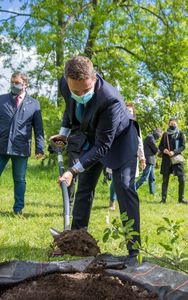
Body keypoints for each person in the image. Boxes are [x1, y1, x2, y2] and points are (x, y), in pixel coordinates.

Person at [53, 56, 141, 261]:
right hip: (93, 138)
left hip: (120, 142)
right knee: (84, 186)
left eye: (86, 90)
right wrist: (63, 133)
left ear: (94, 77)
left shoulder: (109, 100)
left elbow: (103, 147)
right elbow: (69, 109)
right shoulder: (65, 85)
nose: (81, 94)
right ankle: (75, 239)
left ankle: (134, 250)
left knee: (124, 188)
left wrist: (72, 170)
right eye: (76, 91)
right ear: (67, 81)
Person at [0, 72, 44, 214]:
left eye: (17, 82)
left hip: (21, 147)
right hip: (1, 145)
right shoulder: (2, 100)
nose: (14, 85)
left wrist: (40, 147)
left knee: (19, 179)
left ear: (25, 84)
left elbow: (38, 128)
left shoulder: (34, 104)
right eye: (12, 82)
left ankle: (18, 209)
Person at [50, 76, 87, 211]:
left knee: (85, 178)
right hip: (75, 139)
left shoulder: (92, 90)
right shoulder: (64, 83)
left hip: (92, 139)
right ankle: (69, 205)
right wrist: (62, 136)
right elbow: (68, 110)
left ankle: (81, 208)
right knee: (71, 173)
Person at [108, 103, 146, 210]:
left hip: (131, 158)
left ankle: (130, 203)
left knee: (130, 181)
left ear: (133, 113)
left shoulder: (135, 126)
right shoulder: (116, 123)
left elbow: (139, 143)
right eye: (127, 111)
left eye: (131, 111)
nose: (129, 113)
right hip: (117, 156)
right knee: (115, 182)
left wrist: (142, 158)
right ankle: (112, 201)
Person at [159, 117, 187, 204]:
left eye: (174, 124)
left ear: (177, 124)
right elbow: (160, 146)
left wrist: (174, 152)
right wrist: (165, 150)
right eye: (171, 124)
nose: (173, 126)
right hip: (166, 160)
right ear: (168, 124)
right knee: (165, 180)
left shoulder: (180, 134)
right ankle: (163, 199)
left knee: (182, 179)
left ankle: (181, 199)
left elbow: (183, 146)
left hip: (177, 159)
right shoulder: (165, 134)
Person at [135, 129, 162, 195]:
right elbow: (155, 149)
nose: (160, 136)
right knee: (144, 177)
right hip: (148, 160)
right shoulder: (150, 137)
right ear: (157, 132)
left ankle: (152, 193)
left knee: (152, 178)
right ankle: (132, 189)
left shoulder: (151, 137)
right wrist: (161, 152)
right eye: (160, 134)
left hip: (151, 160)